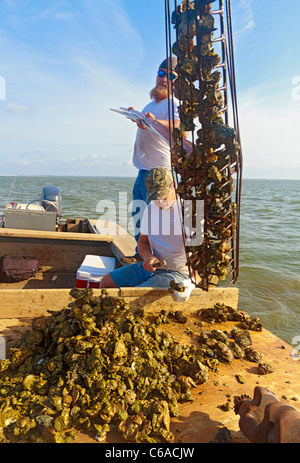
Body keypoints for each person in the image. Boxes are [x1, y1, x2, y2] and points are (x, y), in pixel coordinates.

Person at [122, 56, 181, 264]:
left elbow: (178, 125)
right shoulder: (152, 102)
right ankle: (141, 257)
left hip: (160, 171)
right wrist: (137, 117)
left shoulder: (174, 102)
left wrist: (155, 121)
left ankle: (159, 262)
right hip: (143, 170)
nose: (164, 79)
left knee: (156, 220)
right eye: (161, 73)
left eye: (171, 76)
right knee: (139, 217)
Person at [101, 167, 191, 289]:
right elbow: (143, 242)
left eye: (163, 196)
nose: (159, 202)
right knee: (106, 282)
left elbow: (202, 256)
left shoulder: (189, 212)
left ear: (174, 185)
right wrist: (149, 257)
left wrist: (191, 282)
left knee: (136, 294)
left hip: (179, 273)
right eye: (155, 197)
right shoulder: (150, 208)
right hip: (154, 268)